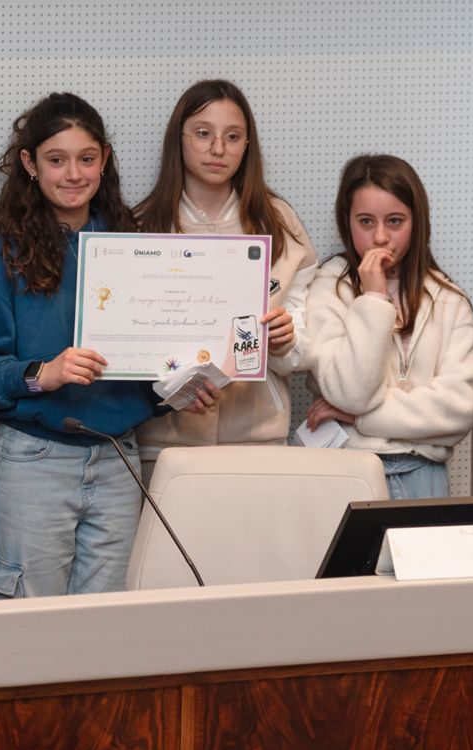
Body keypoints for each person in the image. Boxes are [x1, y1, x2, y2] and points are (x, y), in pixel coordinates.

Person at [0, 92, 211, 599]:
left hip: (119, 460)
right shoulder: (2, 257)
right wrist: (41, 373)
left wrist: (182, 388)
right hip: (35, 462)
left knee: (104, 628)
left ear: (105, 159)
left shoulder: (137, 248)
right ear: (29, 164)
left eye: (86, 159)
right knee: (28, 625)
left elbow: (149, 370)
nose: (73, 174)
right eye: (56, 160)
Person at [133, 80, 318, 475]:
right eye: (203, 134)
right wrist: (170, 387)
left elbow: (303, 339)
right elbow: (128, 341)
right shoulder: (141, 226)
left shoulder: (280, 224)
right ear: (179, 139)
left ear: (247, 145)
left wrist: (287, 340)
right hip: (164, 444)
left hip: (257, 439)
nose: (218, 148)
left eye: (232, 137)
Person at [306, 154, 473, 499]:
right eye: (366, 221)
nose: (380, 237)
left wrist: (361, 419)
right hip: (349, 468)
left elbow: (458, 410)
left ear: (417, 222)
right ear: (347, 221)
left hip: (423, 473)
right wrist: (373, 298)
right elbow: (350, 393)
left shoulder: (448, 300)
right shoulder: (330, 289)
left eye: (395, 221)